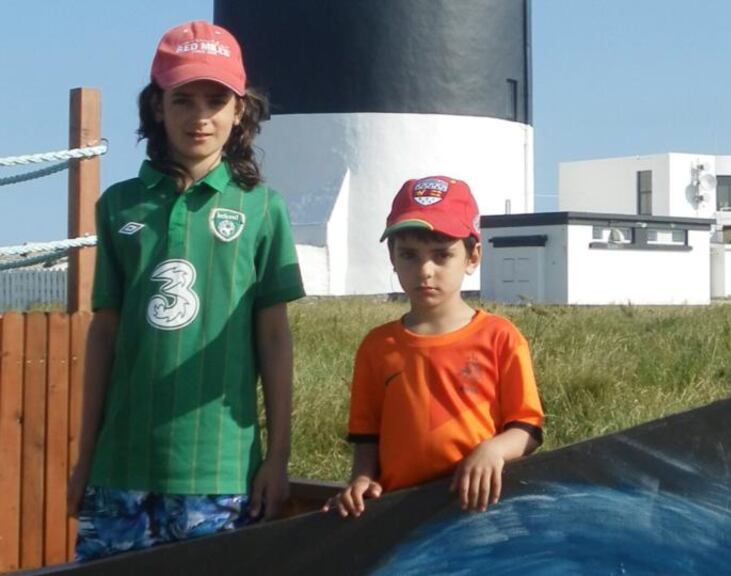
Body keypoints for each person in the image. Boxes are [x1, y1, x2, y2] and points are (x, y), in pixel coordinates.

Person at [67, 20, 305, 561]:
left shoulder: (263, 210)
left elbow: (273, 338)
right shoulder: (118, 206)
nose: (200, 117)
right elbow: (104, 333)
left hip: (219, 473)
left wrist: (279, 457)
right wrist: (86, 459)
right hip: (119, 470)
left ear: (239, 108)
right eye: (184, 99)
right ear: (157, 106)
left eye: (216, 100)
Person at [324, 176, 544, 517]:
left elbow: (527, 430)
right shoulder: (377, 346)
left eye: (442, 255)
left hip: (478, 510)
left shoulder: (501, 337)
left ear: (473, 257)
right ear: (392, 258)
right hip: (399, 514)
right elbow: (366, 436)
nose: (425, 270)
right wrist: (362, 479)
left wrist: (493, 451)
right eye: (409, 255)